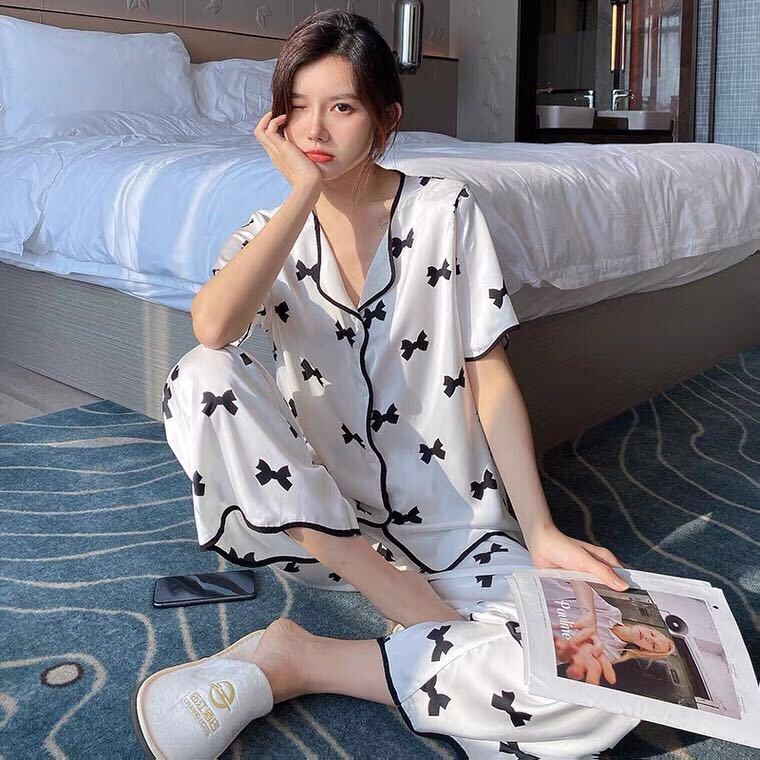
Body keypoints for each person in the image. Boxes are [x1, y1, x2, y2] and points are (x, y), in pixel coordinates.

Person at [135, 9, 642, 759]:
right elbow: (212, 327)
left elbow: (488, 373)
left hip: (455, 528)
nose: (316, 129)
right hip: (330, 536)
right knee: (199, 375)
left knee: (605, 683)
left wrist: (538, 530)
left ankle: (301, 660)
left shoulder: (444, 210)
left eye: (341, 107)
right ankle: (399, 608)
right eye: (297, 107)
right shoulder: (270, 233)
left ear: (384, 118)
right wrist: (301, 195)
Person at [545, 579, 676, 687]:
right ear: (649, 628)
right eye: (653, 634)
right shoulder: (612, 613)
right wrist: (588, 613)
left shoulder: (611, 654)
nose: (648, 638)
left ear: (644, 650)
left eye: (653, 645)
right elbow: (578, 580)